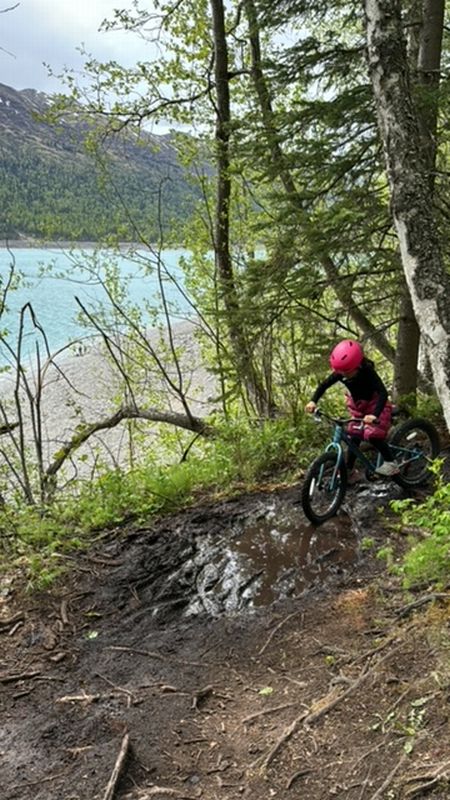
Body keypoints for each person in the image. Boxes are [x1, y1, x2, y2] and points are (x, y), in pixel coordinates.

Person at [305, 339, 399, 478]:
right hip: (359, 406)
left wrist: (375, 415)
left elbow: (382, 393)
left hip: (375, 405)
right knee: (354, 435)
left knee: (373, 434)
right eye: (341, 372)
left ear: (358, 365)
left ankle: (391, 463)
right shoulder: (341, 372)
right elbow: (323, 385)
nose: (344, 375)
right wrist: (313, 401)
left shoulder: (367, 371)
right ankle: (349, 471)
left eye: (347, 372)